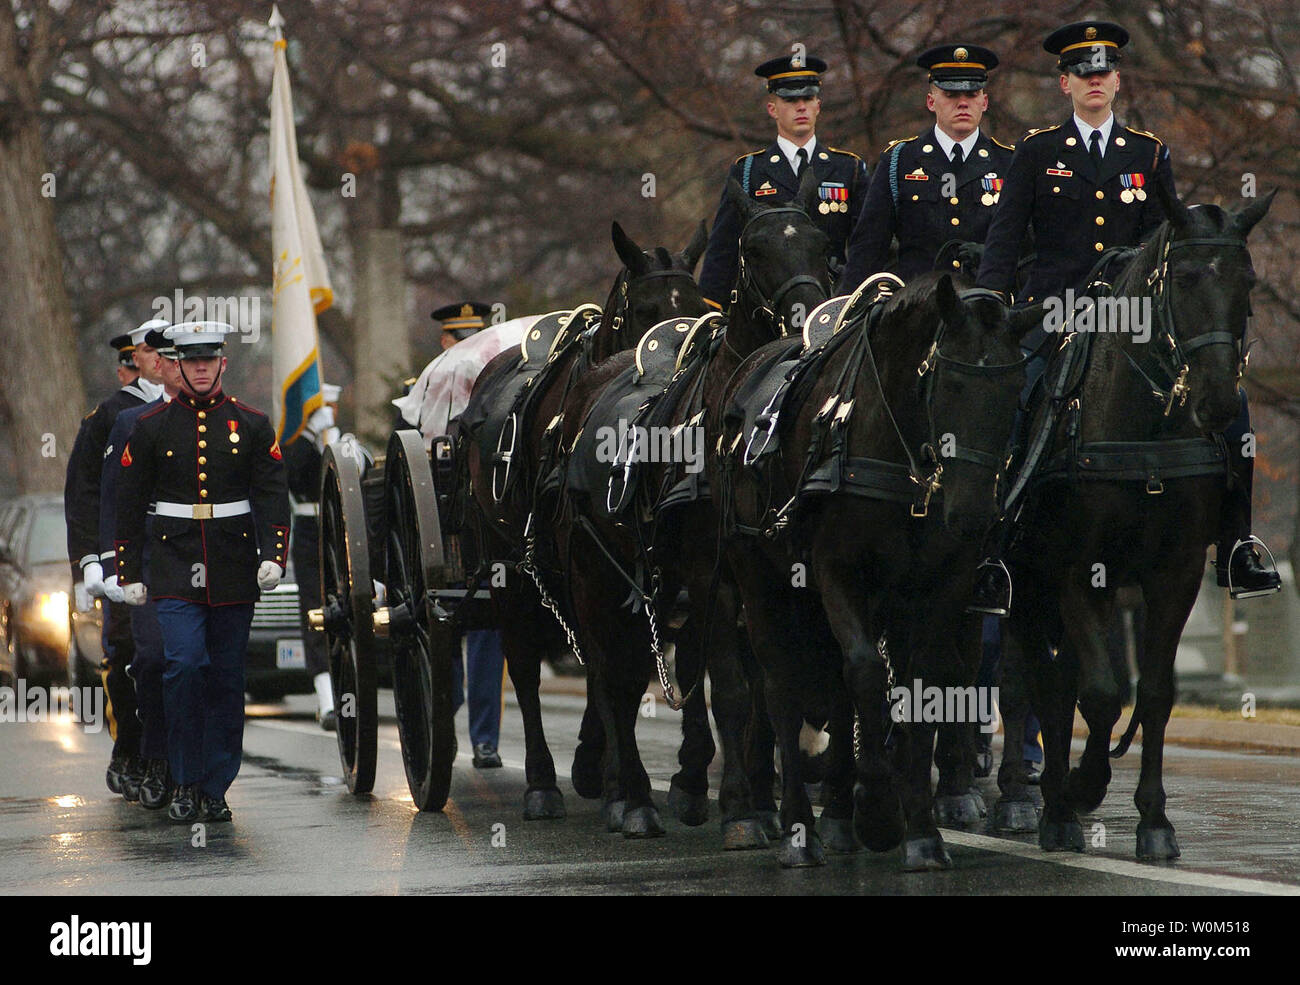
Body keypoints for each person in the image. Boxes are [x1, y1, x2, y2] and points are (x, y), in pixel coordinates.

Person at [975, 18, 1278, 606]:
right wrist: (992, 302)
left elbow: (1161, 243)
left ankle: (1238, 545)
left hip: (1130, 318)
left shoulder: (1149, 153)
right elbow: (1005, 242)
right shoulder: (1037, 152)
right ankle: (995, 547)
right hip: (1055, 312)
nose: (1095, 82)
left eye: (1104, 72)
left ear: (1117, 81)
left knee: (1231, 403)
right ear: (1065, 83)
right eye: (1082, 74)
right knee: (1013, 399)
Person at [114, 321, 290, 824]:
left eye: (208, 359)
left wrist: (274, 553)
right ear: (178, 364)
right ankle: (185, 779)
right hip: (172, 563)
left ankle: (216, 787)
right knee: (185, 666)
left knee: (226, 680)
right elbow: (127, 504)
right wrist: (126, 569)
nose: (200, 368)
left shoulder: (252, 424)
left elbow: (272, 495)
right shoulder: (150, 427)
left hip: (233, 564)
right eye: (191, 360)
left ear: (222, 363)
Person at [64, 319, 167, 800]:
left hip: (171, 553)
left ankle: (167, 755)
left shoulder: (185, 409)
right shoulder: (109, 415)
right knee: (124, 654)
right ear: (135, 362)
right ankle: (130, 745)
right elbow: (86, 494)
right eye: (148, 353)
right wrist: (89, 561)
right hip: (120, 556)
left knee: (169, 656)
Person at [839, 44, 1015, 291]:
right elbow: (869, 246)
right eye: (951, 95)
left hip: (987, 304)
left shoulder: (1009, 162)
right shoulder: (900, 160)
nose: (963, 103)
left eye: (972, 94)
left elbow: (1029, 245)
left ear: (984, 102)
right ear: (931, 102)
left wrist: (992, 255)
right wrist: (846, 308)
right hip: (916, 310)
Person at [697, 54, 867, 308]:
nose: (801, 107)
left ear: (818, 105)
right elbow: (724, 251)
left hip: (834, 304)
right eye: (790, 100)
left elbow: (865, 244)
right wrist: (710, 310)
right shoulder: (749, 171)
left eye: (808, 99)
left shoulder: (847, 168)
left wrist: (852, 299)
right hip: (768, 307)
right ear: (772, 109)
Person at [98, 327, 185, 809]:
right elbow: (109, 499)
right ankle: (152, 754)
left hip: (201, 560)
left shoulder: (230, 421)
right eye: (169, 360)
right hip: (150, 561)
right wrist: (109, 564)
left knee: (198, 664)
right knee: (150, 659)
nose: (175, 368)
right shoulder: (128, 420)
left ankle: (195, 770)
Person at [428, 302, 506, 768]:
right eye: (461, 339)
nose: (469, 348)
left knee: (488, 635)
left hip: (485, 528)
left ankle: (485, 738)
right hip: (438, 532)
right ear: (445, 343)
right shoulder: (421, 393)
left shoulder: (499, 393)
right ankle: (446, 708)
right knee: (442, 629)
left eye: (476, 338)